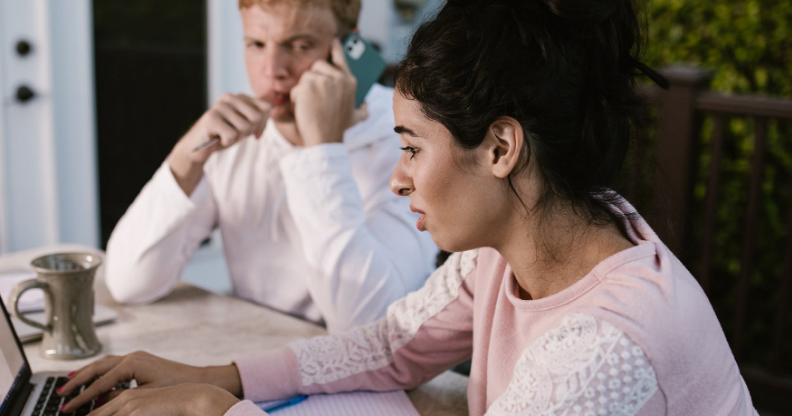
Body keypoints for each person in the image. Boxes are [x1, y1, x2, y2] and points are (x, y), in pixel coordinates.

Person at [60, 0, 758, 415]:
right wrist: (217, 376)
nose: (398, 180)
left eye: (413, 148)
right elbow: (390, 344)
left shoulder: (606, 346)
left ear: (501, 148)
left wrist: (221, 411)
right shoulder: (521, 241)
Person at [104, 0, 437, 333]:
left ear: (350, 47)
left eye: (299, 45)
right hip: (257, 353)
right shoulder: (236, 136)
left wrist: (322, 146)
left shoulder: (407, 140)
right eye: (257, 45)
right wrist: (185, 157)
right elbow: (129, 283)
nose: (273, 69)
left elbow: (366, 326)